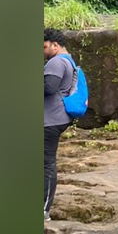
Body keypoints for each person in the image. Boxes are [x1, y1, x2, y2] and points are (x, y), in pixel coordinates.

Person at [43, 28, 78, 222]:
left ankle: (44, 210)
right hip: (56, 118)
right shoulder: (68, 60)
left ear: (55, 45)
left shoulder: (56, 62)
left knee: (46, 163)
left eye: (45, 47)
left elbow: (49, 88)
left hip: (50, 120)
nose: (43, 50)